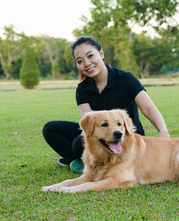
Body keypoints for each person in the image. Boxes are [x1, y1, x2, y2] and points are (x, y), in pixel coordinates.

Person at [42, 36, 170, 173]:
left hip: (125, 136)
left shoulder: (126, 79)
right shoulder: (82, 89)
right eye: (80, 61)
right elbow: (89, 124)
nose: (87, 63)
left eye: (90, 56)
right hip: (101, 135)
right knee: (50, 129)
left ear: (101, 54)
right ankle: (79, 160)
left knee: (77, 145)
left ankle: (88, 159)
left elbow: (149, 108)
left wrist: (163, 133)